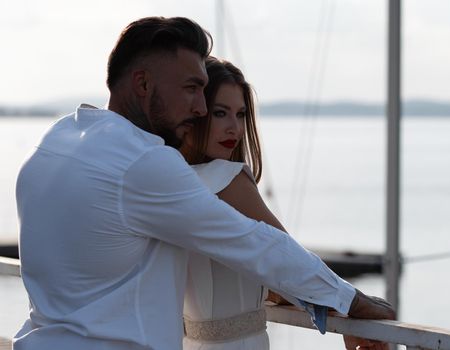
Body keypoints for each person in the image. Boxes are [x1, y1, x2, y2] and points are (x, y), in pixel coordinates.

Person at [14, 16, 394, 350]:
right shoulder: (145, 162)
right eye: (192, 88)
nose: (199, 108)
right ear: (143, 84)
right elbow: (253, 243)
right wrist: (350, 301)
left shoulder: (55, 142)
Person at [180, 57, 387, 350]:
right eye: (220, 113)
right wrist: (352, 305)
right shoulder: (228, 178)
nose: (234, 129)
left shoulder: (175, 182)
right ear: (197, 113)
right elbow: (290, 264)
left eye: (240, 115)